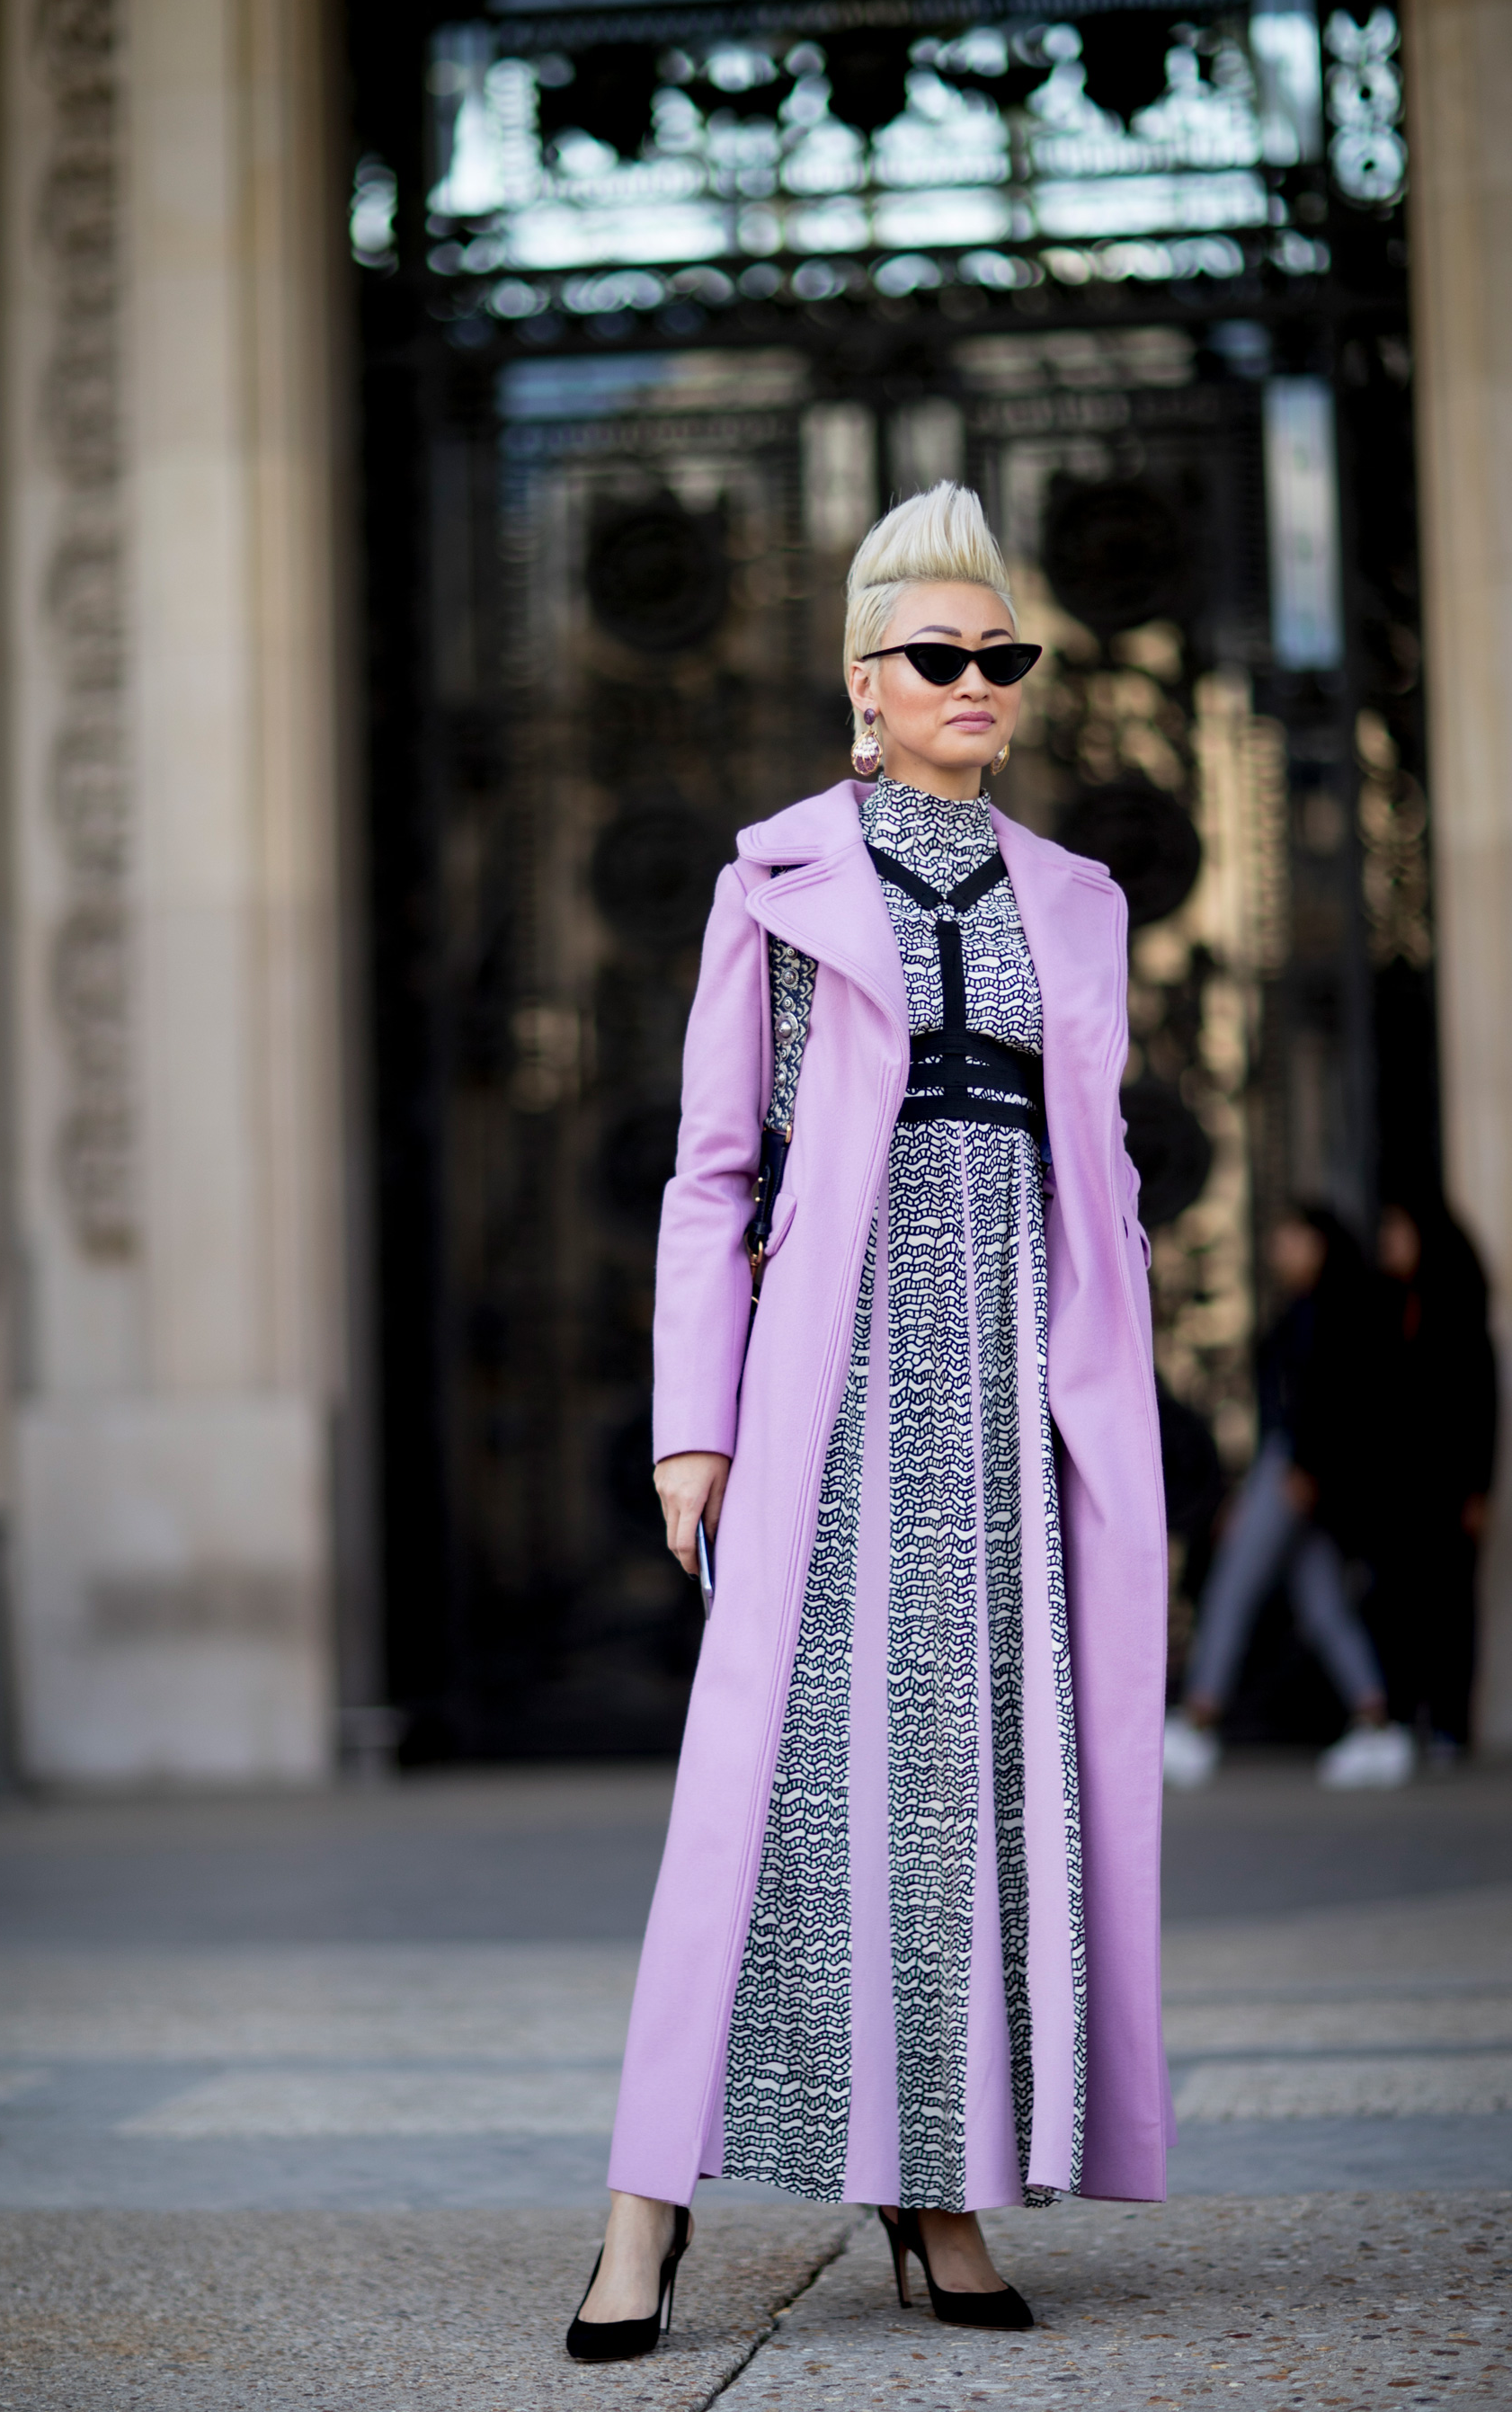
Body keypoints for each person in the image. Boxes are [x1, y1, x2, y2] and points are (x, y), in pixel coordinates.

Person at [566, 484, 1170, 2363]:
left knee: (976, 1783)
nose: (977, 679)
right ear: (864, 681)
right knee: (760, 1793)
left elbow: (1103, 1169)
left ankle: (939, 2191)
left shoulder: (1077, 899)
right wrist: (692, 1426)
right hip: (832, 1385)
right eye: (939, 653)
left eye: (1005, 653)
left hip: (1016, 1395)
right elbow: (711, 1173)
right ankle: (645, 2206)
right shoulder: (774, 883)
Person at [1163, 1206, 1411, 1792]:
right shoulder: (1296, 1314)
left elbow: (1342, 1402)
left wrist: (1309, 1470)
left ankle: (1199, 1718)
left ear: (1319, 1244)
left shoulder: (1339, 1312)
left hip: (1296, 1473)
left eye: (1292, 1239)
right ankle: (1376, 1720)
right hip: (1286, 1470)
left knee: (1234, 1586)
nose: (1280, 1250)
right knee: (1321, 1600)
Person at [1362, 1194, 1498, 1758]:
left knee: (1449, 1604)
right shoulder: (1388, 1307)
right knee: (1398, 1600)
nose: (1388, 1241)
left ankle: (1449, 1724)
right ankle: (1403, 1716)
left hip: (1446, 1487)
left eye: (1398, 1230)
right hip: (1399, 1489)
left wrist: (1478, 1490)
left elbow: (1482, 1409)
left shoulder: (1460, 1315)